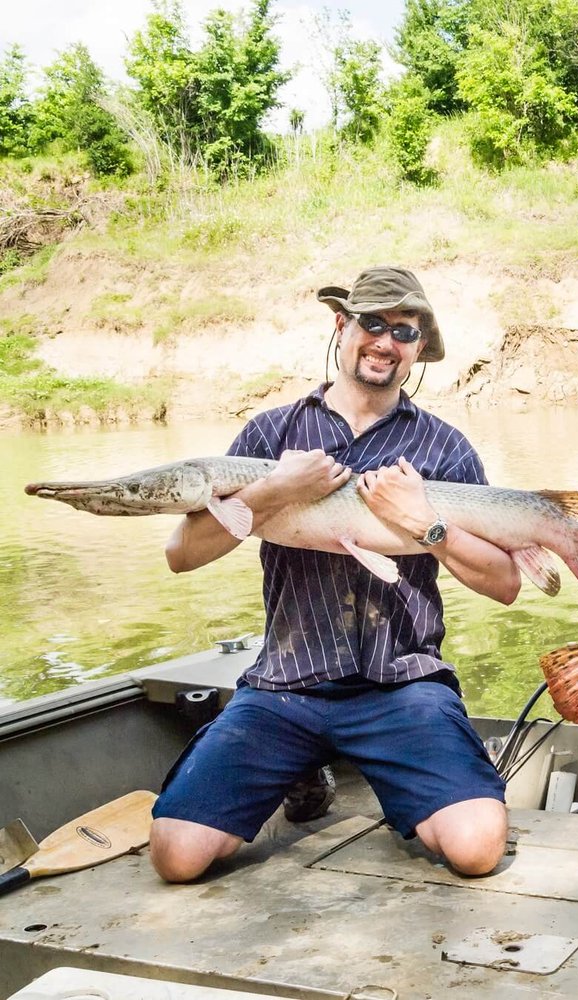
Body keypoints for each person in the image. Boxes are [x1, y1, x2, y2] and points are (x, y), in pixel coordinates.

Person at [149, 265, 518, 883]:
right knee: (176, 856)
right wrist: (273, 490)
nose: (385, 341)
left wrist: (428, 525)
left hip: (403, 688)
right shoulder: (271, 435)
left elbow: (504, 583)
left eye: (404, 331)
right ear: (341, 325)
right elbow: (181, 554)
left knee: (477, 850)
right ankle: (301, 765)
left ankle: (357, 765)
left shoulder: (447, 448)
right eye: (372, 323)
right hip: (283, 688)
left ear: (419, 348)